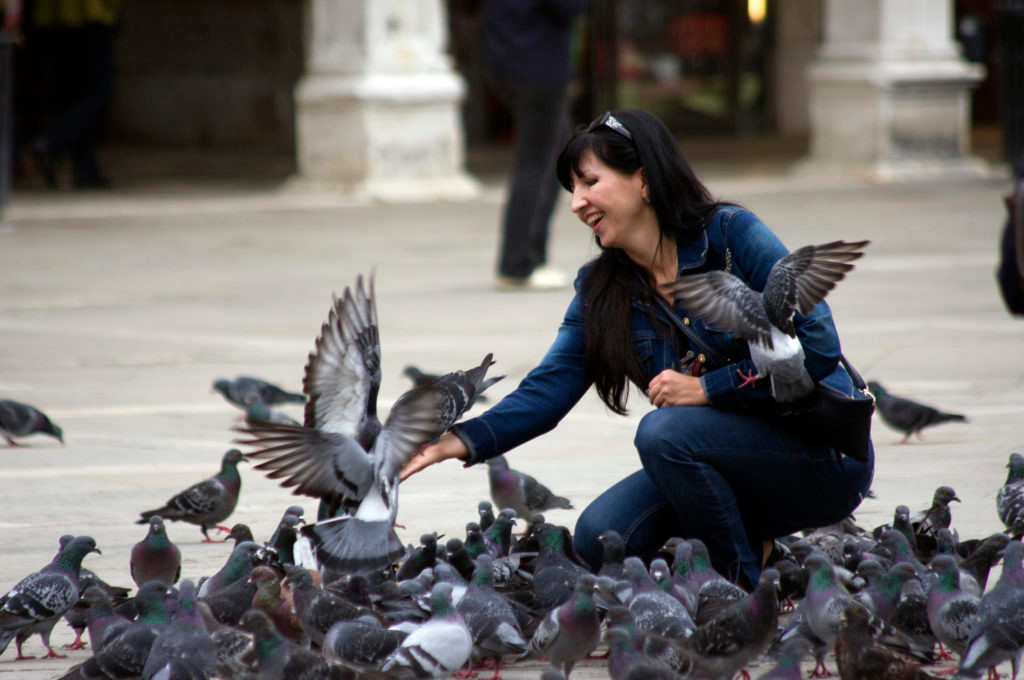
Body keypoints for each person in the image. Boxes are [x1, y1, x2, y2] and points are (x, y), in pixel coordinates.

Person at [402, 109, 874, 589]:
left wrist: (710, 388)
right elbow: (547, 389)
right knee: (600, 536)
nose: (576, 203)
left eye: (589, 182)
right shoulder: (602, 289)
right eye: (572, 190)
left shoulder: (731, 236)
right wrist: (452, 442)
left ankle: (735, 589)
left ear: (643, 179)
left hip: (821, 453)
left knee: (663, 433)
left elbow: (819, 348)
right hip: (723, 460)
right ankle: (752, 543)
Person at [483, 0, 589, 291]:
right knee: (538, 160)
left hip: (506, 60)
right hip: (539, 66)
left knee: (560, 150)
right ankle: (518, 263)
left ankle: (533, 256)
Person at [25, 0, 122, 188]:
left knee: (75, 94)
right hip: (91, 15)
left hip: (52, 18)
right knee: (100, 89)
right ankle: (51, 143)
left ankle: (86, 169)